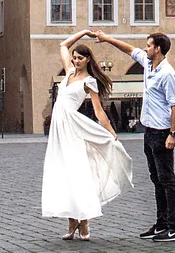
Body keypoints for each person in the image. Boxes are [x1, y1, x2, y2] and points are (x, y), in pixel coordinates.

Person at [41, 29, 133, 240]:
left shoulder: (89, 81)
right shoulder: (68, 72)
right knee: (62, 172)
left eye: (80, 58)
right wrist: (83, 32)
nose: (75, 61)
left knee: (77, 171)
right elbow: (63, 45)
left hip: (73, 127)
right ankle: (71, 221)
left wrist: (111, 131)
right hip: (59, 129)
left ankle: (84, 222)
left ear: (88, 59)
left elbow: (99, 110)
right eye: (74, 58)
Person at [93, 29, 175, 243]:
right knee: (156, 179)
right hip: (149, 131)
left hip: (162, 132)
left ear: (158, 49)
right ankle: (161, 224)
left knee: (167, 180)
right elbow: (129, 50)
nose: (145, 48)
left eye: (149, 45)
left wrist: (173, 134)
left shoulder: (167, 73)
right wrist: (106, 39)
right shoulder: (148, 64)